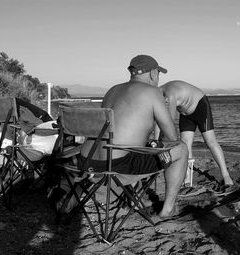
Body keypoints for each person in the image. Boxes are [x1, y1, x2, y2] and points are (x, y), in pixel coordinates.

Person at [79, 55, 188, 218]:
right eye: (158, 74)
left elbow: (113, 132)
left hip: (87, 163)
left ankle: (134, 200)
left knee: (133, 148)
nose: (158, 78)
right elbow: (172, 137)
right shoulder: (152, 92)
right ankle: (167, 210)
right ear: (152, 74)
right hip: (116, 168)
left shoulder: (112, 90)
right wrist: (163, 110)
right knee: (182, 150)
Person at [157, 80, 234, 190]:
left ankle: (226, 175)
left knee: (210, 142)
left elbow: (169, 122)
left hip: (200, 106)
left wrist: (162, 142)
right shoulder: (158, 96)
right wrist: (157, 143)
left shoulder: (169, 94)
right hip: (185, 113)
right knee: (185, 143)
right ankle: (187, 176)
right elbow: (159, 121)